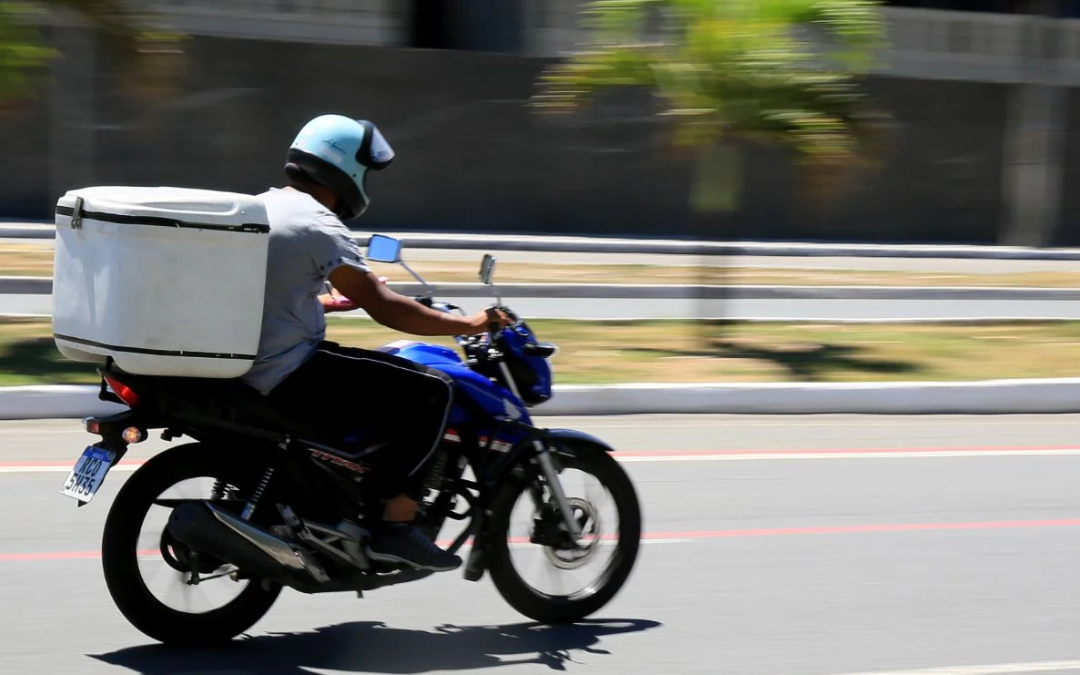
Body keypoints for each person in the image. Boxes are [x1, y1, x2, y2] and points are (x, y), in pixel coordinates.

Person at [241, 113, 512, 573]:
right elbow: (386, 306)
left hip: (250, 359)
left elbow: (263, 293)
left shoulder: (259, 205)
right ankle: (396, 525)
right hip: (284, 369)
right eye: (365, 172)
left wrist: (324, 305)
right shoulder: (319, 224)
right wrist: (469, 323)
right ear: (345, 169)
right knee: (431, 391)